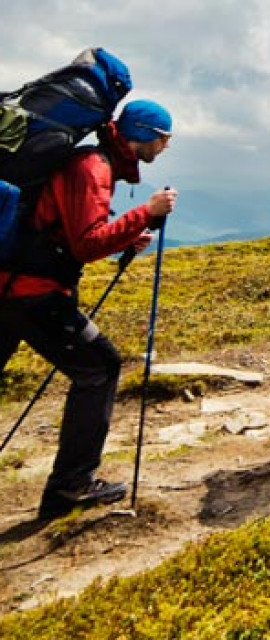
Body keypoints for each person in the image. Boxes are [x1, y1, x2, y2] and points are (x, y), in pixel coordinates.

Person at [0, 99, 177, 520]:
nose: (165, 147)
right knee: (99, 367)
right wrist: (144, 214)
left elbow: (74, 234)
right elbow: (85, 242)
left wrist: (128, 235)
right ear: (146, 134)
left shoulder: (92, 164)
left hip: (12, 286)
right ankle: (71, 486)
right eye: (164, 139)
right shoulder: (92, 169)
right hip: (33, 292)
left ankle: (70, 484)